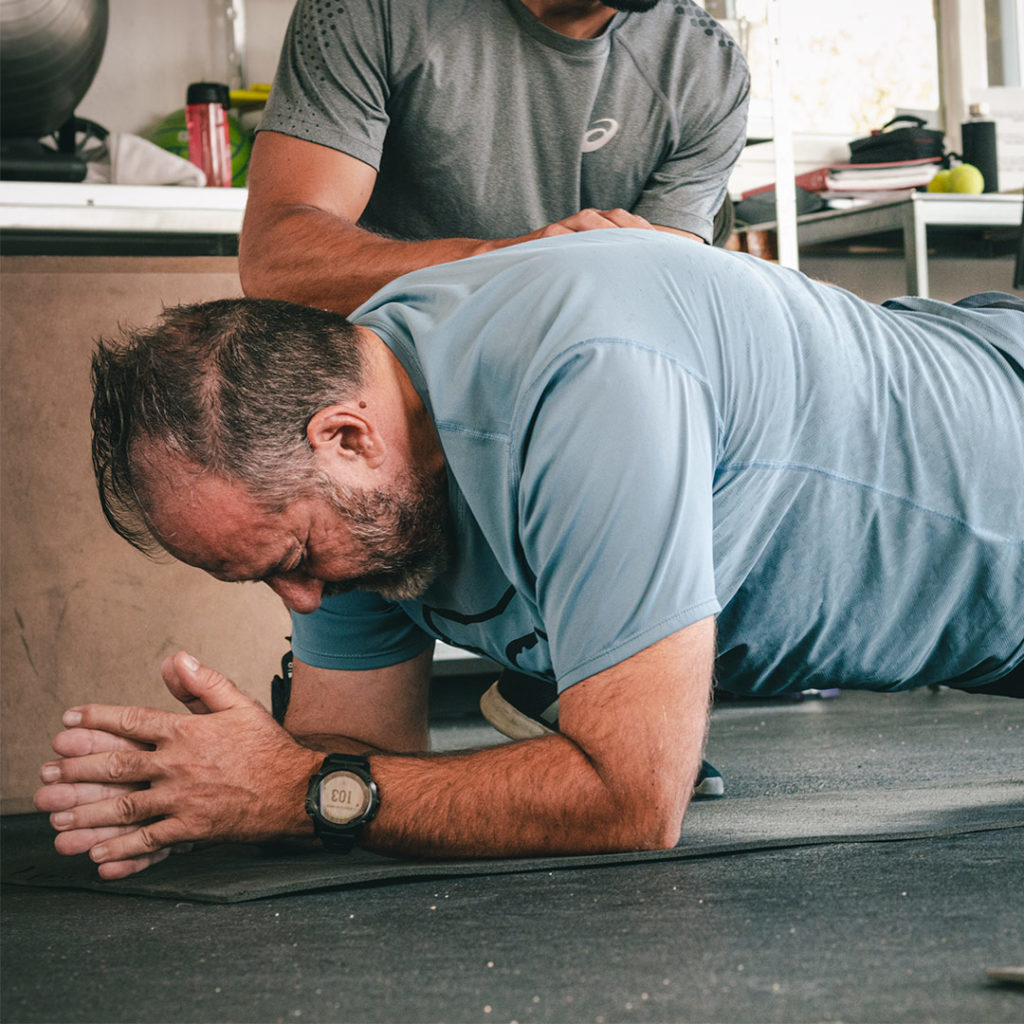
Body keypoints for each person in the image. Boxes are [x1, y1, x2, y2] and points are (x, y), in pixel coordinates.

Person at [37, 232, 1023, 880]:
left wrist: (288, 788)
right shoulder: (367, 470)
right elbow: (360, 765)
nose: (300, 595)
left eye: (293, 553)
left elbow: (633, 795)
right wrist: (217, 781)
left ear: (346, 436)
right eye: (262, 576)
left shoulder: (586, 379)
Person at [238, 0, 751, 315]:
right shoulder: (370, 10)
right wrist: (509, 262)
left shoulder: (708, 67)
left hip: (568, 368)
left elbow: (659, 294)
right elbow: (276, 261)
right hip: (379, 358)